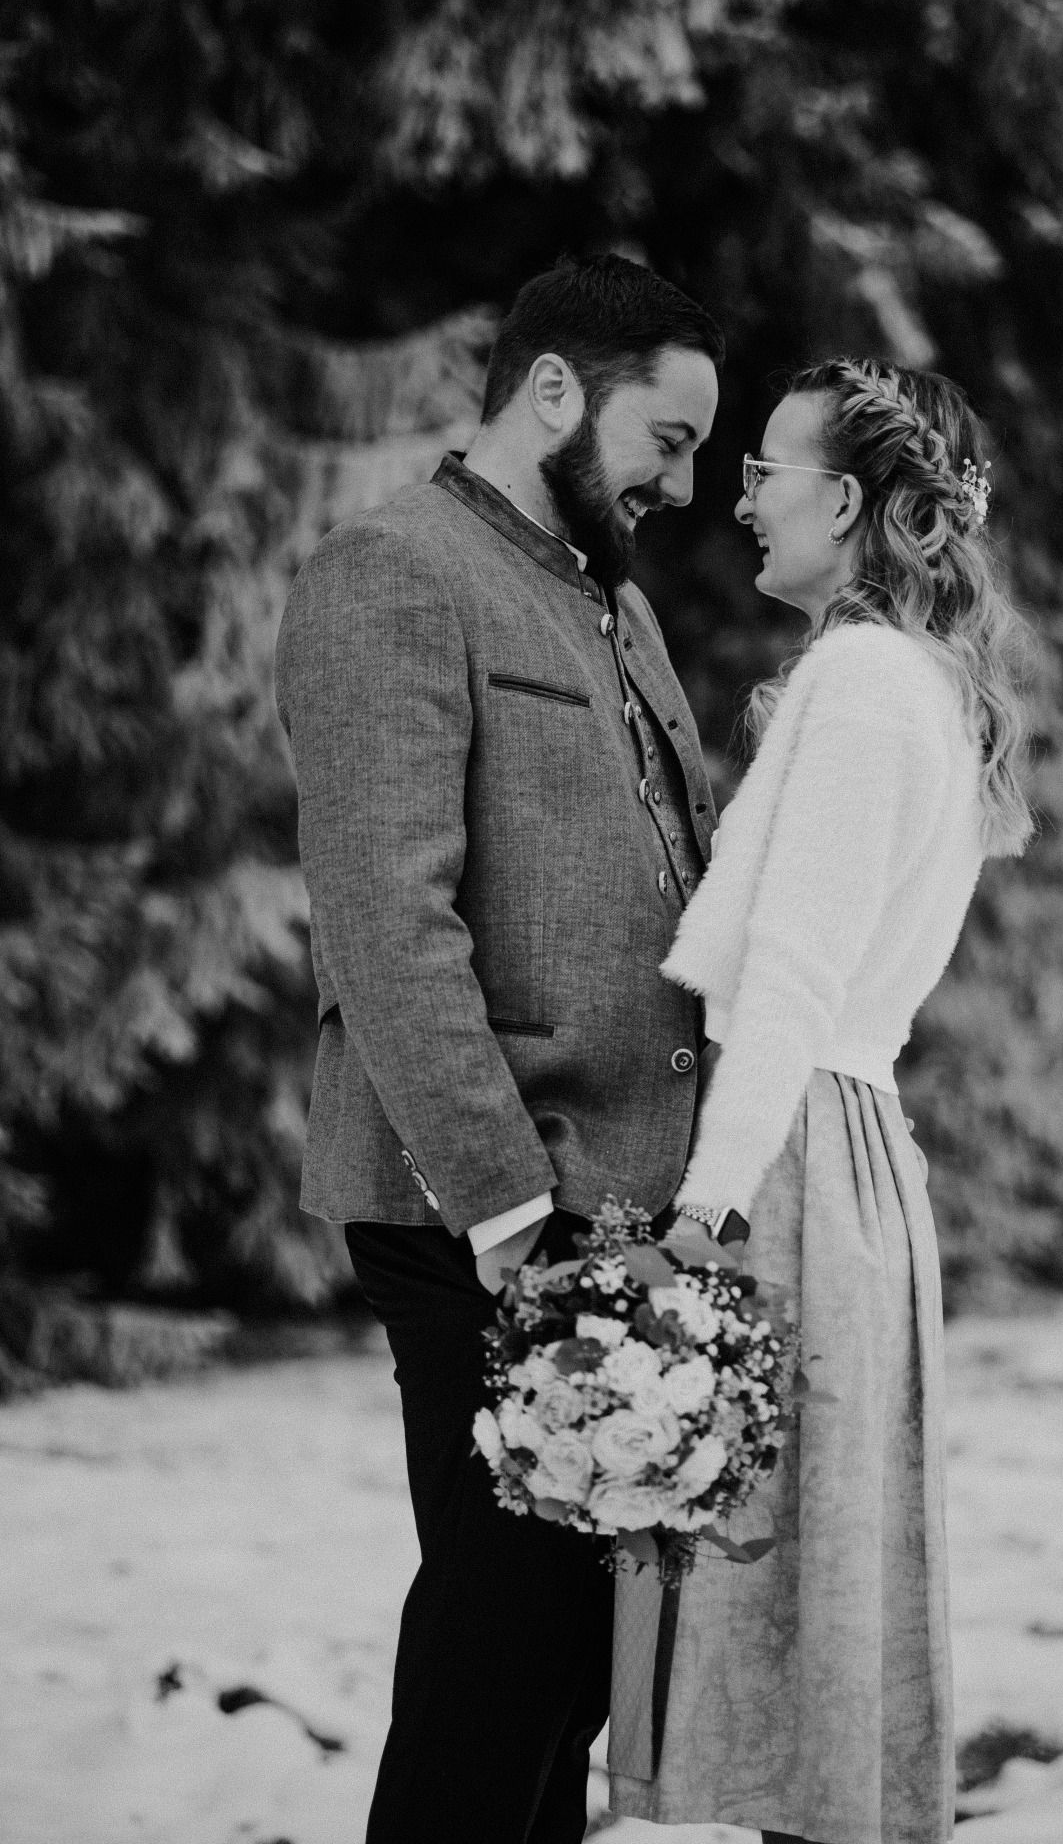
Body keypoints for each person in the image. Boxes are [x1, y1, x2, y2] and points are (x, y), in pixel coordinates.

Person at [273, 254, 724, 1844]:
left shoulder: (616, 602)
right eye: (667, 439)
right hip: (483, 1209)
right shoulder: (392, 571)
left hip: (618, 1213)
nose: (685, 485)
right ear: (552, 391)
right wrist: (510, 1209)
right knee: (500, 1669)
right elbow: (386, 920)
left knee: (559, 1677)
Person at [609, 358, 1034, 1844]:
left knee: (786, 1617)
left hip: (791, 1153)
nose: (741, 500)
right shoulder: (914, 681)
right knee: (821, 1623)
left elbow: (790, 980)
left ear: (847, 501)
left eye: (765, 471)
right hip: (849, 1153)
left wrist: (699, 1218)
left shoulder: (862, 684)